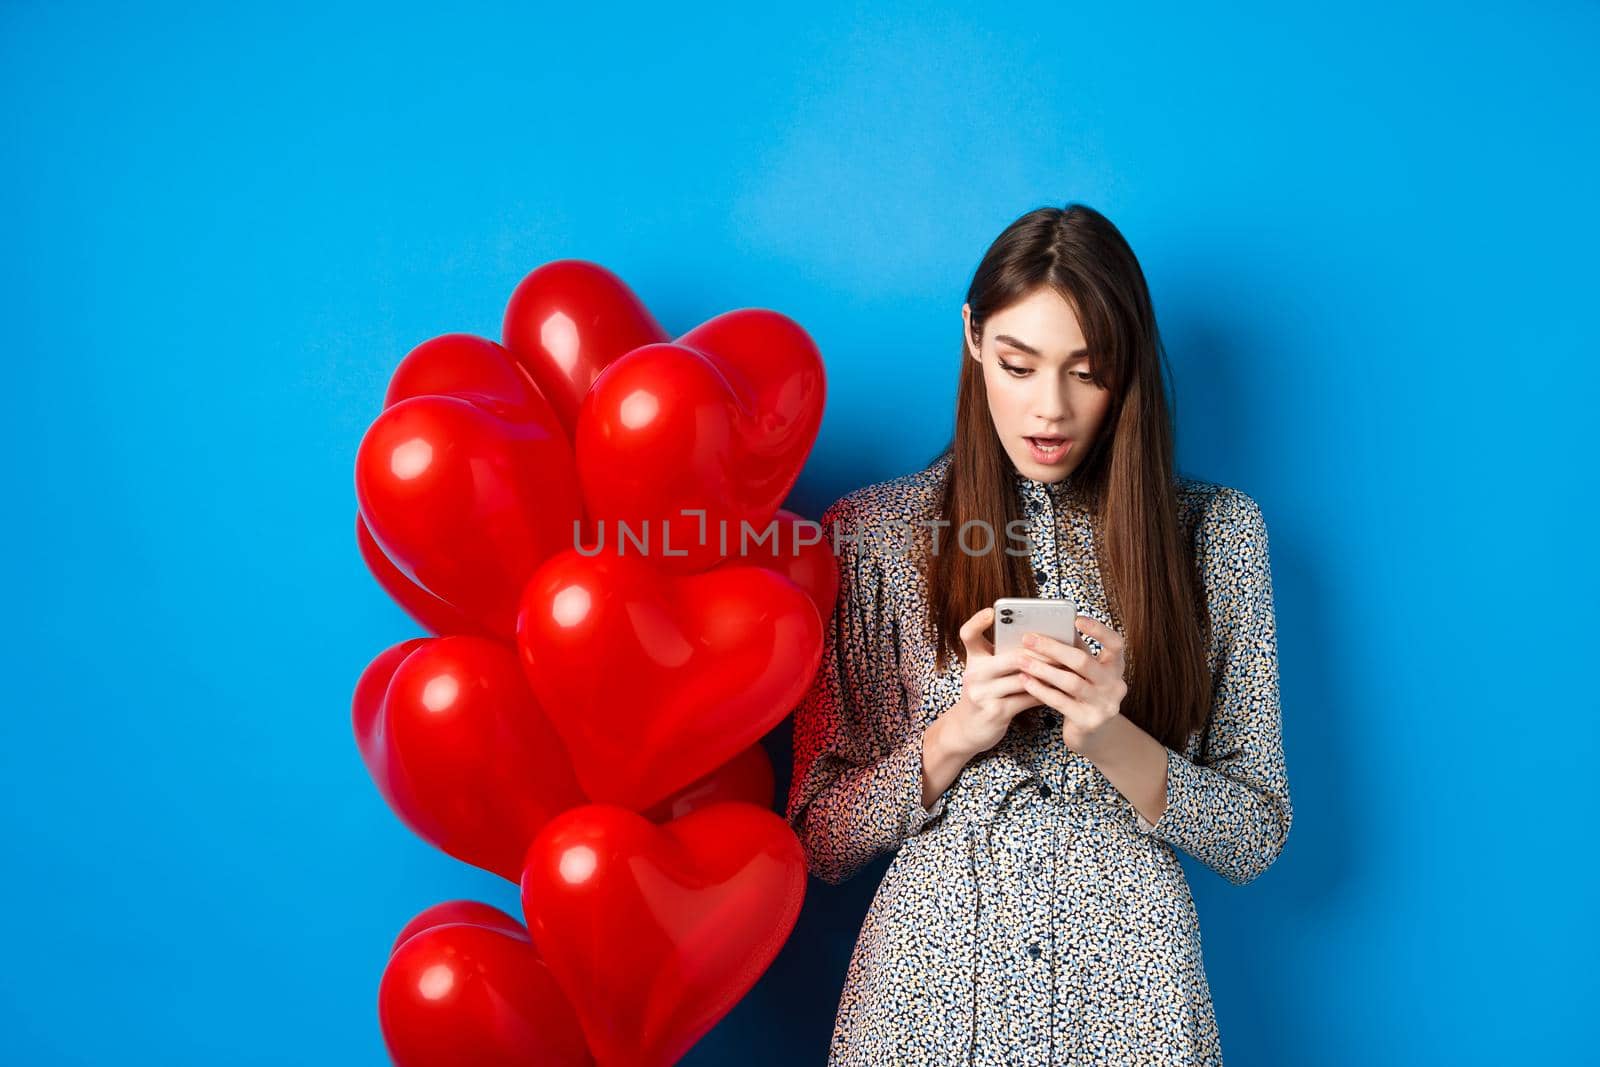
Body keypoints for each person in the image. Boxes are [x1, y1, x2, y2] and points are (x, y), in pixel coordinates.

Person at [785, 203, 1293, 1065]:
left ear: (1127, 368)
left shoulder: (1215, 536)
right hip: (926, 1004)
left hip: (1135, 1005)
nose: (1049, 409)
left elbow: (1254, 835)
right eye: (1019, 365)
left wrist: (1113, 740)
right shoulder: (874, 535)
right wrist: (955, 735)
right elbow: (816, 837)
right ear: (974, 339)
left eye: (1086, 372)